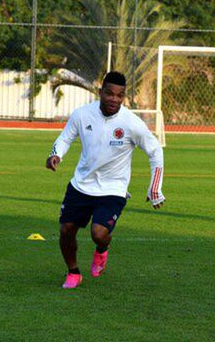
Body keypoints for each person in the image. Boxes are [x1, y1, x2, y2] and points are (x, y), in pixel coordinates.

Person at [46, 71, 165, 289]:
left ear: (124, 97)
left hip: (113, 188)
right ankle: (73, 272)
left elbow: (155, 151)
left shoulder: (131, 123)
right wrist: (56, 154)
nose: (114, 99)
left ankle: (102, 250)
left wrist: (154, 188)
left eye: (119, 96)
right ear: (100, 92)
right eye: (109, 94)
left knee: (98, 234)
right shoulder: (82, 115)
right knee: (66, 230)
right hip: (82, 184)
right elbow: (65, 138)